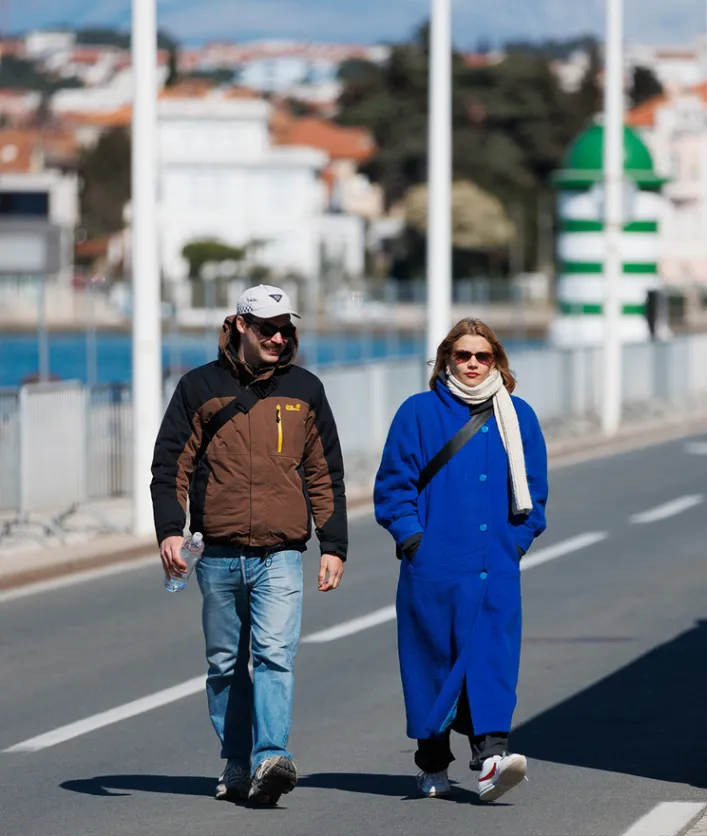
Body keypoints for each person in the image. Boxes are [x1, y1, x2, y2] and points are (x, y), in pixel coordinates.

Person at [151, 285, 347, 806]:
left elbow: (325, 472)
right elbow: (171, 464)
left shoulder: (307, 389)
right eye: (267, 329)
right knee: (224, 665)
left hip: (281, 554)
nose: (278, 338)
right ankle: (237, 762)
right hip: (216, 553)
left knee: (275, 657)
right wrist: (170, 529)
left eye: (285, 329)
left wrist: (334, 544)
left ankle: (270, 759)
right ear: (239, 326)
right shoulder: (197, 388)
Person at [374, 318, 547, 802]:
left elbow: (535, 491)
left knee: (493, 658)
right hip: (433, 566)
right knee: (432, 661)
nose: (472, 364)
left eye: (482, 356)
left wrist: (515, 543)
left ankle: (492, 758)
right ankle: (431, 762)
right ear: (446, 359)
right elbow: (393, 487)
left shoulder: (520, 416)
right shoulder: (418, 412)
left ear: (497, 361)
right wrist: (414, 541)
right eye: (463, 355)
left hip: (496, 566)